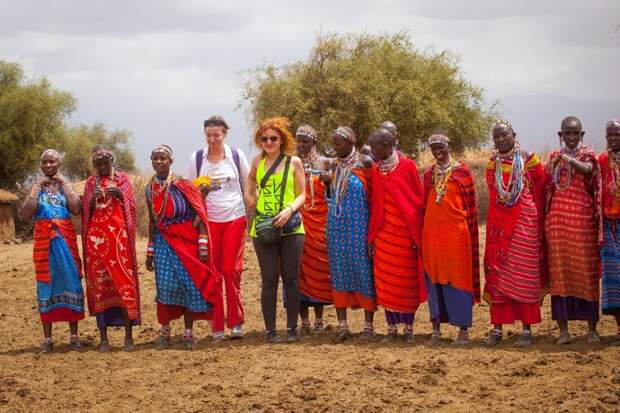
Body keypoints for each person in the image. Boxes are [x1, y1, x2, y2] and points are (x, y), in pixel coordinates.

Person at [146, 145, 221, 349]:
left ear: (171, 161)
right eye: (155, 158)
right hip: (163, 243)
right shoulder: (149, 187)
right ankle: (165, 333)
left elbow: (200, 212)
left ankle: (188, 333)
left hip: (187, 241)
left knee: (189, 285)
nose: (159, 162)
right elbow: (153, 221)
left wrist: (203, 242)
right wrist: (150, 250)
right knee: (165, 288)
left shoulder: (183, 184)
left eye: (163, 158)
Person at [484, 121, 548, 347]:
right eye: (497, 137)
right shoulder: (492, 164)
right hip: (498, 228)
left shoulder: (529, 160)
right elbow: (495, 195)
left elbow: (542, 189)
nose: (501, 139)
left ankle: (527, 329)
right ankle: (497, 328)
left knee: (524, 274)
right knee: (498, 275)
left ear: (514, 135)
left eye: (504, 135)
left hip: (524, 225)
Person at [187, 115, 249, 341]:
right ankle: (216, 325)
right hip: (209, 221)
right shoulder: (196, 159)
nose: (212, 139)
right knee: (213, 272)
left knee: (231, 270)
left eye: (217, 135)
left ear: (225, 134)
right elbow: (191, 191)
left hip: (235, 217)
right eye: (208, 135)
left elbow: (248, 183)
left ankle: (236, 322)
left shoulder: (236, 155)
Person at [245, 117, 306, 343]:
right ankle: (270, 330)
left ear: (282, 139)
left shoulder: (294, 162)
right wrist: (248, 195)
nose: (269, 142)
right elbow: (250, 180)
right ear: (259, 141)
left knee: (291, 278)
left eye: (273, 138)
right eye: (264, 139)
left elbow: (302, 194)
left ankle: (292, 328)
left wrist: (289, 210)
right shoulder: (256, 162)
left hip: (291, 227)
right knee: (269, 279)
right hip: (263, 227)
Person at [21, 149, 85, 353]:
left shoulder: (65, 186)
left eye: (52, 162)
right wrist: (37, 186)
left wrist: (64, 183)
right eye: (45, 163)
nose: (49, 166)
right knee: (46, 285)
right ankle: (47, 339)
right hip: (44, 242)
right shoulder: (35, 188)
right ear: (41, 165)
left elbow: (76, 209)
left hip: (65, 239)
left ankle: (74, 336)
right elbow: (26, 213)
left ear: (59, 164)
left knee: (71, 282)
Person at [367, 127, 425, 343]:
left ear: (387, 146)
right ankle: (391, 327)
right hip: (383, 235)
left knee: (406, 283)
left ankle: (409, 328)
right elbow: (376, 205)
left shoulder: (407, 167)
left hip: (405, 236)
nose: (372, 151)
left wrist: (415, 236)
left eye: (375, 147)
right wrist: (372, 237)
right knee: (387, 283)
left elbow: (416, 202)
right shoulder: (376, 170)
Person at [546, 116, 600, 344]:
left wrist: (567, 158)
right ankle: (564, 331)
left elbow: (589, 171)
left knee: (586, 275)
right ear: (560, 135)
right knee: (560, 275)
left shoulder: (587, 154)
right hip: (558, 225)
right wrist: (556, 163)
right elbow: (546, 181)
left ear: (581, 135)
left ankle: (592, 330)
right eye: (566, 134)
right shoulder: (553, 158)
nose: (570, 138)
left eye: (574, 133)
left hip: (582, 225)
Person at [422, 133, 480, 346]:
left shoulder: (462, 172)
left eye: (441, 147)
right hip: (432, 236)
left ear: (449, 146)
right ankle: (436, 330)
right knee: (434, 278)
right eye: (433, 148)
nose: (438, 151)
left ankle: (463, 331)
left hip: (456, 236)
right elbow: (424, 204)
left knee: (458, 278)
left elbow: (471, 208)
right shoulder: (429, 175)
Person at [82, 147, 140, 352]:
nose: (103, 167)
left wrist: (120, 194)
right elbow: (85, 212)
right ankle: (104, 339)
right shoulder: (91, 183)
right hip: (96, 243)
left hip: (119, 241)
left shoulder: (123, 179)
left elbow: (132, 206)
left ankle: (128, 338)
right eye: (98, 165)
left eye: (106, 163)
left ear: (112, 161)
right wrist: (91, 198)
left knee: (124, 285)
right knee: (100, 289)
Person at [323, 126, 376, 341]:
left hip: (359, 227)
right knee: (339, 272)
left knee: (363, 271)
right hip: (336, 227)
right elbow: (330, 198)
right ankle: (342, 325)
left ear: (351, 142)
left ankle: (368, 326)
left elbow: (374, 196)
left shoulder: (365, 163)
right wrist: (327, 185)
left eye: (339, 144)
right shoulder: (332, 165)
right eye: (333, 144)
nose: (335, 148)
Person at [295, 125, 332, 334]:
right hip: (297, 222)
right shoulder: (290, 163)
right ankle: (304, 321)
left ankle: (319, 319)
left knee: (319, 269)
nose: (301, 146)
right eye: (298, 141)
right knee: (297, 271)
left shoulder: (325, 162)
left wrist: (329, 182)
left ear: (314, 142)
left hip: (320, 223)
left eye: (305, 142)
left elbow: (334, 192)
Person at [598, 118, 620, 345]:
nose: (613, 139)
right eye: (610, 135)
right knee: (613, 277)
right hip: (610, 224)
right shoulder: (603, 160)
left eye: (617, 135)